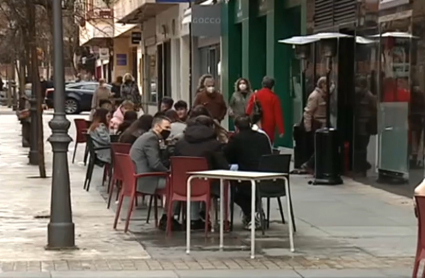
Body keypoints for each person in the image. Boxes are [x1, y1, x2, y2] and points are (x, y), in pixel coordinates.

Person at [174, 115, 228, 229]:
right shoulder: (214, 144)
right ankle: (224, 220)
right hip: (206, 183)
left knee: (193, 178)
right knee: (223, 182)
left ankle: (193, 219)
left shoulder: (180, 143)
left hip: (182, 183)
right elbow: (222, 166)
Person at [224, 115, 272, 230]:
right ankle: (255, 213)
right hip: (268, 179)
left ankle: (250, 214)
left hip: (246, 179)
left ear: (236, 127)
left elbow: (227, 157)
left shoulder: (236, 139)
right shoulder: (263, 137)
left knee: (232, 190)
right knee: (248, 188)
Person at [130, 115, 178, 230]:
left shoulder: (147, 137)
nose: (169, 130)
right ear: (157, 126)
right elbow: (155, 164)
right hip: (146, 178)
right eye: (166, 127)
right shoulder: (151, 139)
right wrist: (168, 172)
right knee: (177, 185)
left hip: (138, 176)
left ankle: (168, 217)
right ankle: (168, 218)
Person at [301, 76, 329, 172]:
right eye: (327, 84)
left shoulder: (324, 95)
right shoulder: (315, 96)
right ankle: (309, 164)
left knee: (323, 146)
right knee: (320, 147)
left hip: (324, 124)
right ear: (322, 85)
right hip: (317, 125)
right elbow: (308, 113)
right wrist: (308, 128)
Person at [246, 76, 284, 143]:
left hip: (257, 121)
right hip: (270, 124)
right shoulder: (274, 98)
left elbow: (249, 109)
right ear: (272, 86)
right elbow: (278, 114)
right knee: (268, 142)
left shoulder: (255, 95)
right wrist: (281, 130)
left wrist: (247, 121)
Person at [353, 76, 377, 175]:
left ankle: (362, 167)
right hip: (357, 124)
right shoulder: (356, 95)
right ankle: (360, 164)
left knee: (362, 146)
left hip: (365, 124)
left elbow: (374, 110)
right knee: (358, 146)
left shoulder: (369, 96)